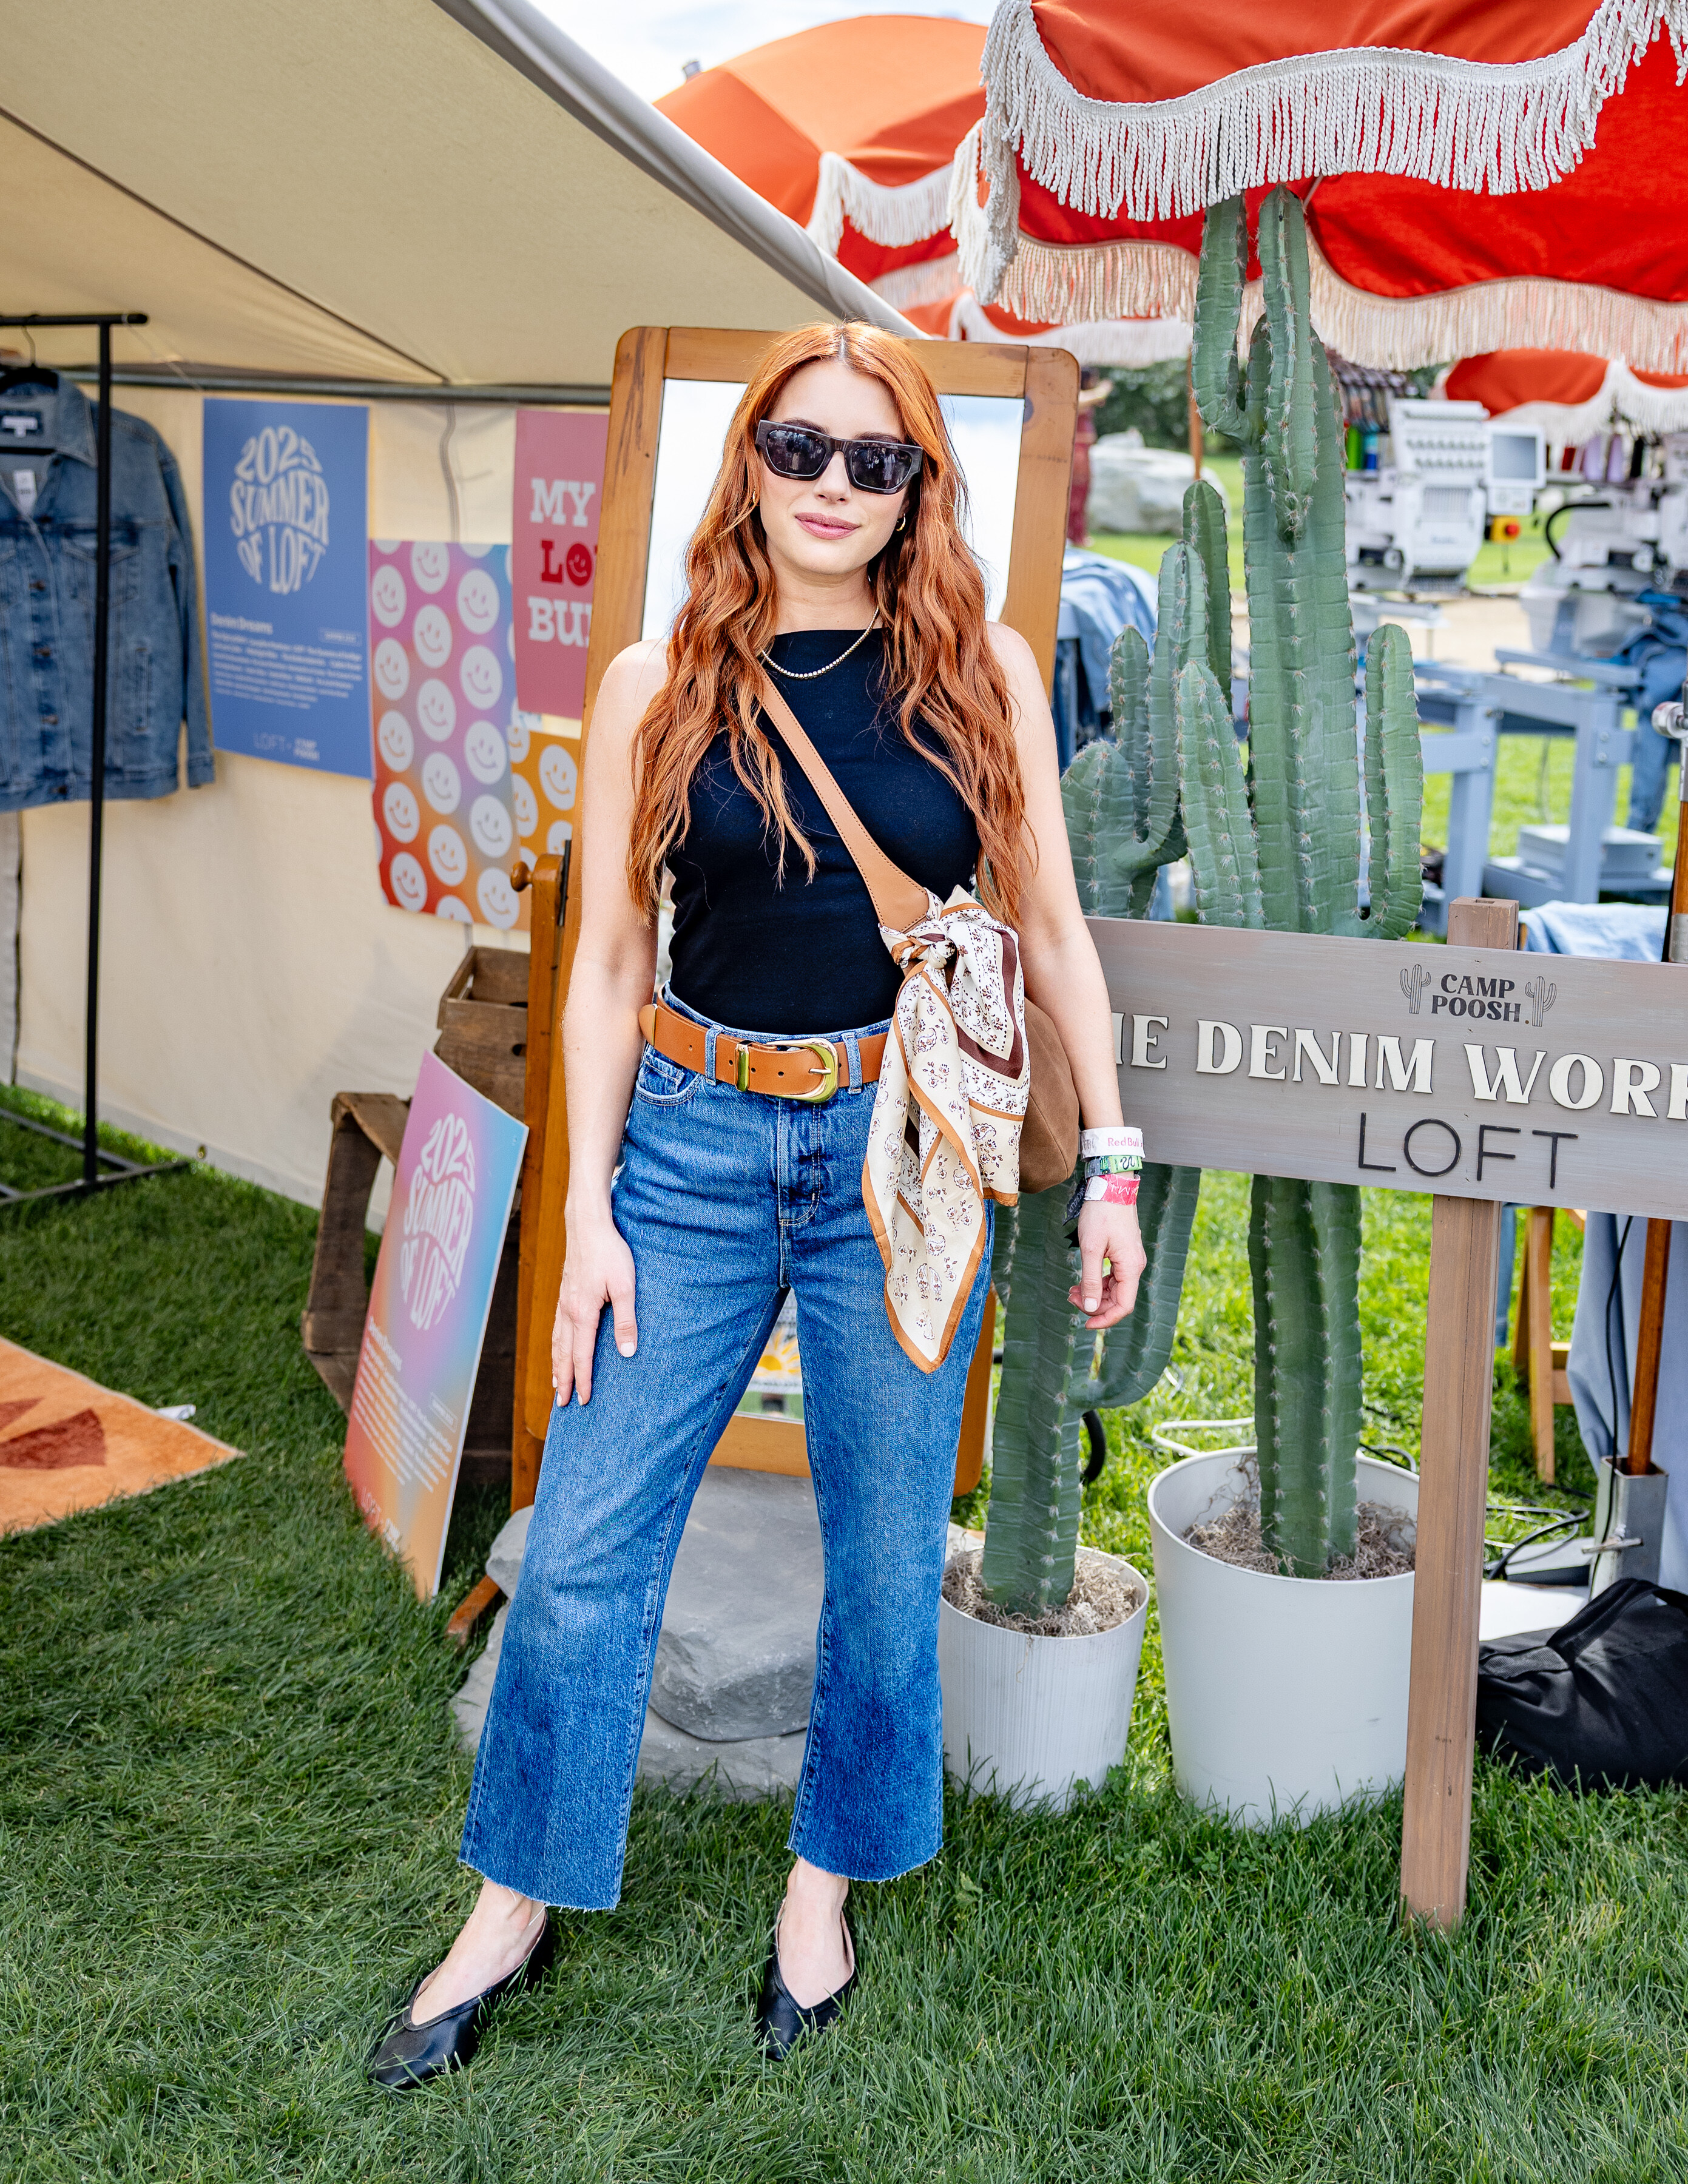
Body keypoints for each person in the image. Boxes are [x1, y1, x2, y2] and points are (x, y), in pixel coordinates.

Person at [367, 322, 1147, 2088]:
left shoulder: (979, 670)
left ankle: (823, 1886)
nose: (834, 487)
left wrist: (1110, 1160)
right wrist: (587, 1218)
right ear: (752, 464)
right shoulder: (659, 681)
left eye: (877, 461)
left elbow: (1052, 927)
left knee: (884, 1546)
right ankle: (513, 1897)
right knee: (584, 1539)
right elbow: (606, 962)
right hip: (694, 1141)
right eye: (801, 449)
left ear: (920, 485)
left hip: (901, 1149)